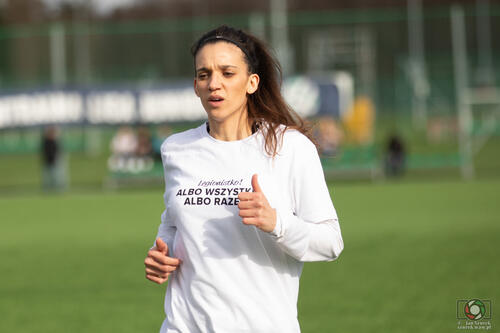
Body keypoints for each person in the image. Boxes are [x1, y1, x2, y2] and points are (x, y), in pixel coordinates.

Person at [144, 25, 344, 333]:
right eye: (204, 74)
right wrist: (164, 252)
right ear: (195, 86)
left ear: (251, 83)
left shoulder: (290, 147)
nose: (214, 84)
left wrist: (276, 222)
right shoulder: (176, 149)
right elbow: (172, 223)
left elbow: (331, 243)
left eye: (227, 73)